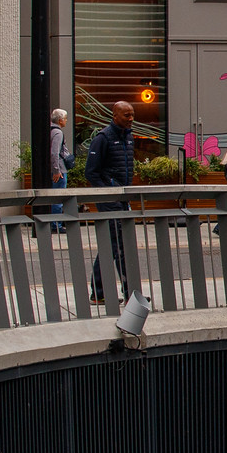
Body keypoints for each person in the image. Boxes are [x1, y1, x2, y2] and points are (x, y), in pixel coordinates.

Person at [82, 102, 137, 303]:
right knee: (115, 246)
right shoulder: (103, 138)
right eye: (126, 115)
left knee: (119, 246)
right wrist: (107, 193)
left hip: (122, 199)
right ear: (115, 116)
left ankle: (116, 293)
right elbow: (91, 172)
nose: (131, 119)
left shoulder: (128, 137)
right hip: (110, 200)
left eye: (132, 115)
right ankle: (101, 292)